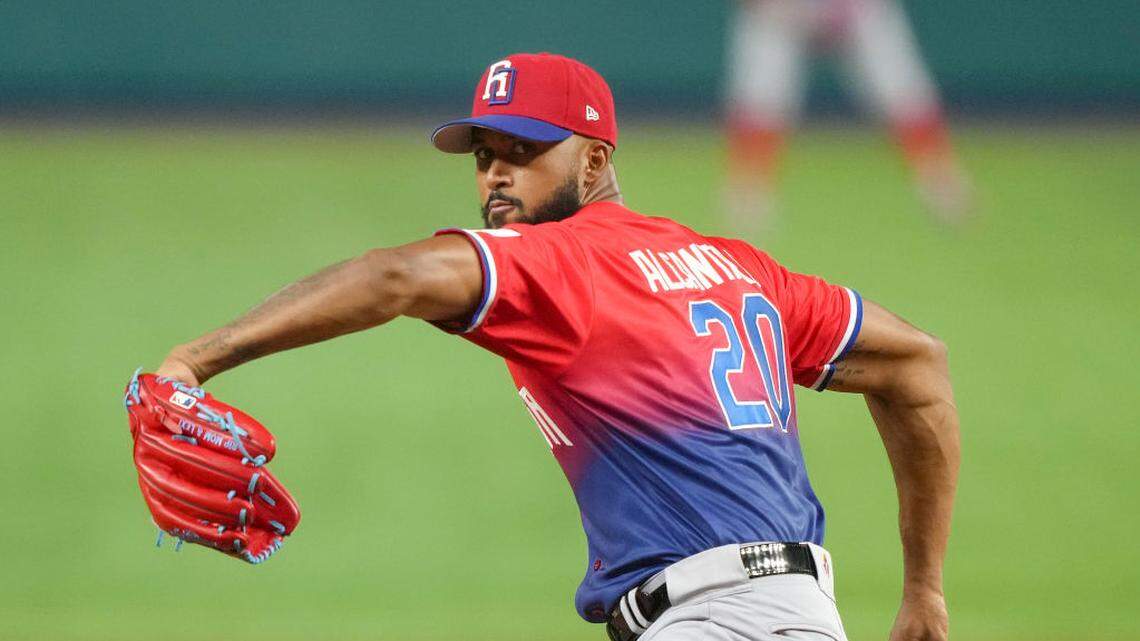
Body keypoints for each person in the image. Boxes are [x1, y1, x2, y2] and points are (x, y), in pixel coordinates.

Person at [155, 53, 960, 641]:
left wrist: (200, 357)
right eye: (484, 155)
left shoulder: (564, 262)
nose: (496, 177)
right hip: (794, 616)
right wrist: (924, 587)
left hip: (716, 624)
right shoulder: (736, 267)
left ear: (598, 158)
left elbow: (392, 277)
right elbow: (917, 363)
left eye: (523, 152)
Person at [724, 0, 972, 229]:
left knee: (903, 93)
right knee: (761, 99)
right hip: (780, 10)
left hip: (855, 9)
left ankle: (939, 181)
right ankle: (749, 191)